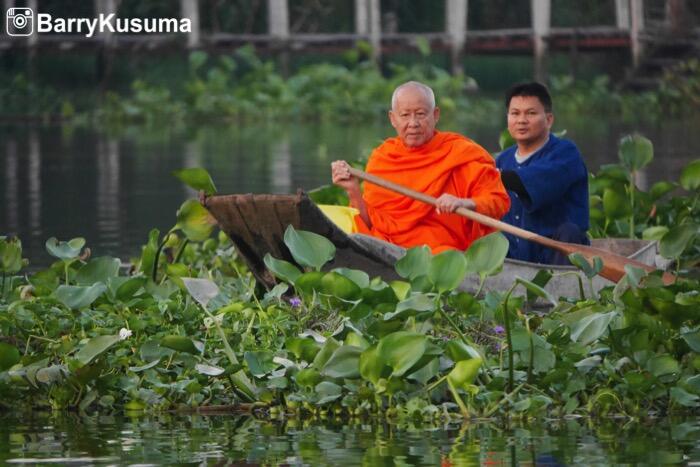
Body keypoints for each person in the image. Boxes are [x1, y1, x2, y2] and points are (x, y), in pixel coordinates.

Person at [331, 81, 510, 254]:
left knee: (444, 255)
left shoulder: (461, 153)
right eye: (405, 115)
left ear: (436, 115)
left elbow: (499, 201)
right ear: (393, 119)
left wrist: (463, 203)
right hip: (387, 247)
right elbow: (371, 224)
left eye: (421, 114)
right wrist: (353, 190)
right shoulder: (383, 158)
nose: (413, 123)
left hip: (440, 253)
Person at [496, 82, 589, 264]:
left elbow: (531, 180)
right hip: (514, 254)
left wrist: (491, 176)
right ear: (508, 119)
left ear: (549, 119)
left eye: (531, 113)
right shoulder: (503, 159)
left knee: (569, 231)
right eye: (515, 113)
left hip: (556, 256)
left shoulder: (566, 153)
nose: (521, 120)